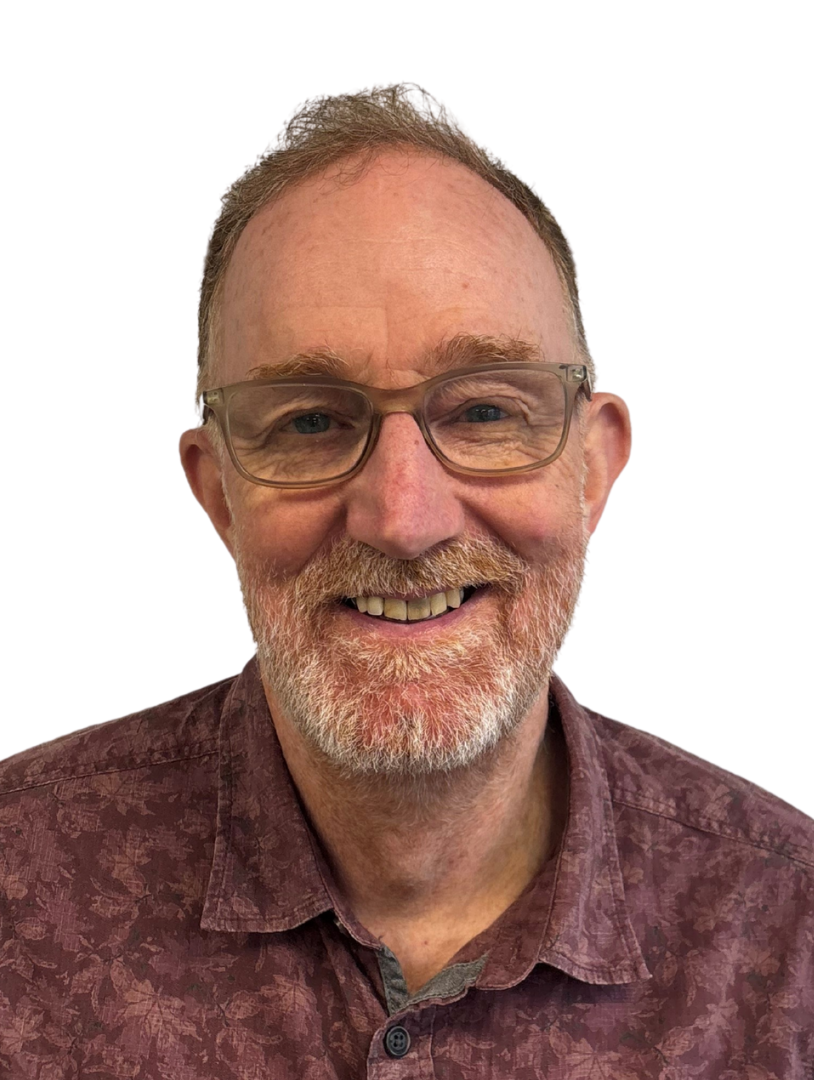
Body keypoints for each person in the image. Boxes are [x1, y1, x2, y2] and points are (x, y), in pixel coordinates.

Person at [1, 86, 811, 1080]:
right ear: (220, 495)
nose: (402, 518)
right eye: (308, 421)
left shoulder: (789, 941)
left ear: (591, 469)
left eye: (481, 412)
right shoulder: (18, 894)